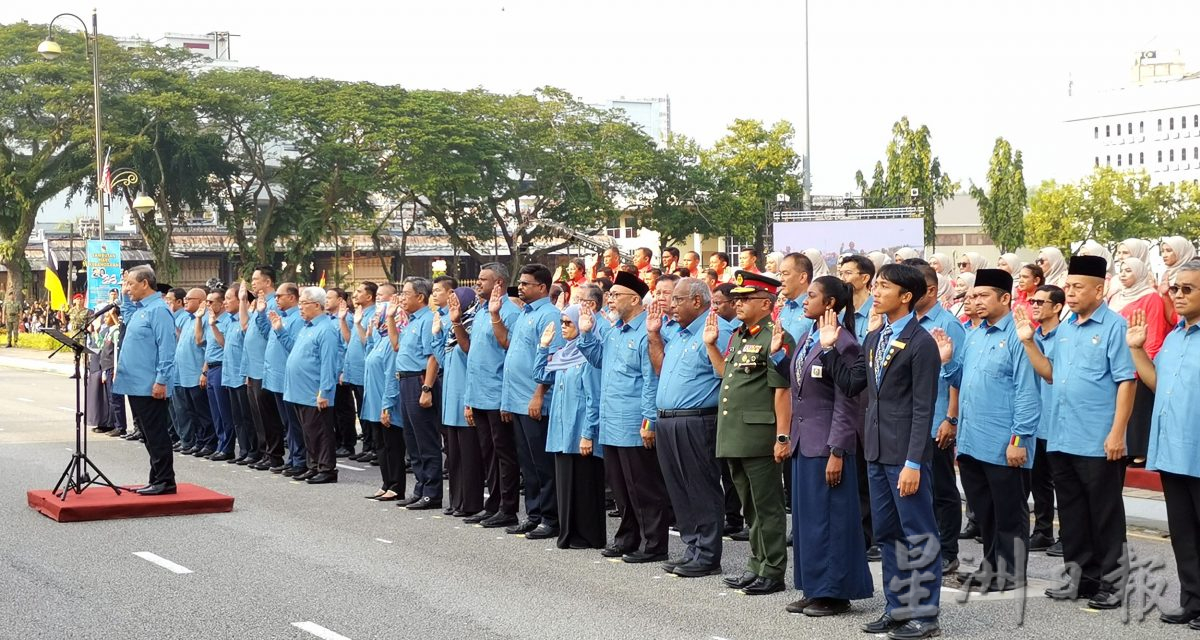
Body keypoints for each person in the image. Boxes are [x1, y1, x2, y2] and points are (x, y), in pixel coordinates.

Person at [818, 263, 943, 640]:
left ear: (906, 297)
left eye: (885, 286)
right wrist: (830, 349)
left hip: (904, 457)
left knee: (918, 533)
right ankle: (897, 607)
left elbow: (924, 408)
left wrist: (914, 462)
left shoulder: (921, 343)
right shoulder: (875, 338)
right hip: (875, 451)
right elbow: (854, 384)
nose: (877, 291)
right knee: (888, 534)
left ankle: (925, 615)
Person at [1039, 255, 1136, 609]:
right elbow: (1050, 373)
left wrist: (1117, 433)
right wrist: (1028, 342)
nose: (1071, 293)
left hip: (1098, 439)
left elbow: (1127, 382)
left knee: (1105, 515)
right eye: (1068, 286)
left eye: (1078, 287)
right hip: (1062, 434)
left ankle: (1112, 584)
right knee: (1073, 512)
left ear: (1100, 288)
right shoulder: (1064, 328)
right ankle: (1080, 578)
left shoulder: (1115, 326)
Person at [934, 269, 1039, 592]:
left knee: (1009, 511)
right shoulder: (976, 333)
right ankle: (990, 566)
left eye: (982, 296)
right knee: (986, 510)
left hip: (1004, 441)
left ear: (1005, 298)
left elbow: (1027, 391)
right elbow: (960, 381)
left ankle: (1009, 572)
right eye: (972, 296)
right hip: (972, 439)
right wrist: (948, 361)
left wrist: (1019, 439)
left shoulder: (1020, 337)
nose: (974, 301)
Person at [778, 275, 872, 616]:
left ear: (830, 303)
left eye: (812, 295)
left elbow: (847, 402)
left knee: (830, 520)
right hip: (804, 443)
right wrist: (778, 357)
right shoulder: (808, 336)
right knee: (807, 520)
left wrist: (837, 451)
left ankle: (834, 593)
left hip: (828, 445)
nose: (805, 299)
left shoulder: (843, 342)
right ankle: (813, 586)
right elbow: (801, 385)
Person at [707, 271, 792, 596]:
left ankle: (772, 570)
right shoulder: (741, 336)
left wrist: (782, 436)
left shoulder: (775, 336)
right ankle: (756, 564)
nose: (738, 303)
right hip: (736, 434)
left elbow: (782, 390)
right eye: (737, 298)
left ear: (766, 303)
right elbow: (725, 375)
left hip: (760, 436)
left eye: (745, 299)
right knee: (750, 506)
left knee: (767, 506)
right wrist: (712, 346)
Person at [1126, 259, 1200, 627]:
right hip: (1174, 451)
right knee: (1184, 534)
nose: (1179, 295)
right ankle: (1192, 601)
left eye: (1188, 289)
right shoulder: (1173, 338)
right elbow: (1157, 384)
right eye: (1175, 288)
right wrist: (1138, 351)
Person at [579, 270, 669, 562]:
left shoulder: (648, 331)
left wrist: (648, 421)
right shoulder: (615, 330)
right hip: (611, 420)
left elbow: (651, 380)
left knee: (643, 485)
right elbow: (599, 362)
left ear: (634, 298)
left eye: (616, 295)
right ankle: (627, 537)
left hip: (633, 420)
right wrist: (586, 333)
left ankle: (653, 544)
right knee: (620, 486)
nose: (611, 300)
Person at [646, 277, 730, 577]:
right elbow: (659, 368)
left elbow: (726, 376)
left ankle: (707, 554)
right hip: (668, 419)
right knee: (679, 489)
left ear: (697, 301)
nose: (671, 305)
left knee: (700, 487)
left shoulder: (716, 330)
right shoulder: (677, 334)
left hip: (697, 419)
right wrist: (655, 336)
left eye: (678, 299)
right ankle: (692, 547)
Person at [498, 264, 564, 538]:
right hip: (517, 400)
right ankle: (534, 514)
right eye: (520, 283)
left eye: (526, 283)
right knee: (528, 464)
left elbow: (552, 360)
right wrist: (506, 400)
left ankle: (550, 518)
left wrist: (539, 394)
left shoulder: (550, 315)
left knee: (542, 465)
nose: (520, 288)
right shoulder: (525, 314)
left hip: (536, 401)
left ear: (543, 288)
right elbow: (512, 356)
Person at [536, 304, 606, 549]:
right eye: (562, 322)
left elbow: (593, 397)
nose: (563, 327)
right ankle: (569, 533)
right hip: (561, 429)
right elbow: (542, 376)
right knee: (565, 483)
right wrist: (543, 347)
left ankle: (587, 535)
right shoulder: (563, 353)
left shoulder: (587, 356)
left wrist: (588, 433)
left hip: (580, 430)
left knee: (585, 485)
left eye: (568, 323)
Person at [911, 265, 965, 575]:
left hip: (937, 417)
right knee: (918, 490)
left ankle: (948, 551)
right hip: (913, 419)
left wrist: (951, 417)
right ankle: (924, 547)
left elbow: (955, 374)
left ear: (931, 290)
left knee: (942, 489)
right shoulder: (907, 322)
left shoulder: (947, 324)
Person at [464, 264, 523, 528]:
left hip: (498, 395)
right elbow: (472, 355)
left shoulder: (509, 312)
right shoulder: (479, 312)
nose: (478, 283)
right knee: (487, 454)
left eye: (483, 279)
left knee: (504, 454)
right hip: (478, 393)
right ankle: (493, 504)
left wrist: (506, 399)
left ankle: (508, 508)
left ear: (498, 283)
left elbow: (511, 353)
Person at [112, 265, 178, 495]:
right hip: (134, 383)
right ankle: (156, 478)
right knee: (148, 435)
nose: (127, 288)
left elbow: (167, 348)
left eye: (130, 284)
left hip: (150, 384)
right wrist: (124, 292)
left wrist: (161, 380)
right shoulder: (141, 310)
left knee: (156, 433)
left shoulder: (158, 310)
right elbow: (127, 315)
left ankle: (166, 481)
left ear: (145, 283)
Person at [1013, 285, 1065, 555]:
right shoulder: (1030, 336)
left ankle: (1067, 535)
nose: (1034, 305)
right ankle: (1043, 531)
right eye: (1032, 300)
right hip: (1036, 420)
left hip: (1058, 419)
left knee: (1063, 483)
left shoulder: (1065, 336)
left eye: (1041, 302)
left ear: (1057, 306)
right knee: (1038, 480)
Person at [385, 277, 444, 509]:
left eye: (406, 294)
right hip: (404, 381)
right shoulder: (411, 321)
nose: (401, 298)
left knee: (426, 440)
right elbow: (396, 345)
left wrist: (427, 388)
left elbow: (432, 357)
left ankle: (432, 492)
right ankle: (420, 488)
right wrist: (390, 317)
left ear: (420, 297)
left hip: (419, 380)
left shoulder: (428, 319)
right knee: (412, 440)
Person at [1108, 257, 1169, 465]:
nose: (1123, 274)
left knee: (1139, 409)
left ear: (1140, 273)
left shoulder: (1151, 297)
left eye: (1129, 271)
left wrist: (1143, 359)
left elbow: (1154, 330)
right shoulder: (1116, 296)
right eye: (1121, 270)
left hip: (1139, 357)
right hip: (1116, 357)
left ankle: (1139, 450)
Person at [282, 286, 340, 484]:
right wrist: (280, 331)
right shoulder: (307, 327)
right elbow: (293, 350)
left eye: (303, 303)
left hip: (314, 390)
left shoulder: (326, 329)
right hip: (299, 390)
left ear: (317, 305)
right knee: (308, 431)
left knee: (320, 431)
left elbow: (329, 362)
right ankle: (313, 464)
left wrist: (325, 391)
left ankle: (326, 468)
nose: (300, 308)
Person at [438, 286, 484, 517]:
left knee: (469, 456)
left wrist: (469, 402)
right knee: (454, 455)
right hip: (450, 399)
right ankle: (456, 501)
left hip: (465, 397)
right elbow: (442, 359)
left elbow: (472, 360)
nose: (451, 303)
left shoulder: (471, 325)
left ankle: (471, 503)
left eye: (456, 300)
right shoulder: (451, 329)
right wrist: (442, 329)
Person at [244, 266, 287, 472]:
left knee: (268, 415)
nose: (253, 283)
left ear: (268, 282)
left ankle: (274, 455)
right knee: (258, 415)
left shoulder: (273, 304)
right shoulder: (260, 304)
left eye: (256, 279)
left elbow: (269, 333)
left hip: (265, 367)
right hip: (254, 367)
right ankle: (264, 452)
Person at [363, 284, 404, 501]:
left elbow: (391, 374)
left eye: (381, 316)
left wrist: (387, 404)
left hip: (387, 403)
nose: (377, 318)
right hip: (374, 401)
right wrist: (370, 334)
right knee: (380, 445)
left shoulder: (392, 342)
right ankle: (386, 482)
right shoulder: (380, 339)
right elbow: (368, 357)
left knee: (392, 445)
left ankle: (396, 485)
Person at [263, 283, 306, 476]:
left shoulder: (298, 318)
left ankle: (299, 460)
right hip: (275, 376)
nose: (276, 300)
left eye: (279, 296)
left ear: (292, 297)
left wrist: (280, 330)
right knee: (286, 422)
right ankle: (294, 458)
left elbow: (294, 348)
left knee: (293, 423)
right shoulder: (283, 316)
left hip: (288, 378)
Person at [214, 285, 258, 465]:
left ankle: (254, 451)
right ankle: (244, 450)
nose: (225, 302)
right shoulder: (230, 322)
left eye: (228, 298)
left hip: (241, 376)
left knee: (248, 418)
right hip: (230, 375)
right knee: (237, 418)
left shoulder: (245, 321)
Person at [339, 282, 378, 458]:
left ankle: (372, 446)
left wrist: (359, 323)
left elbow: (368, 342)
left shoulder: (373, 315)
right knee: (362, 409)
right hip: (354, 371)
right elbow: (350, 340)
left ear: (369, 297)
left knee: (368, 410)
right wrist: (344, 320)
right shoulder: (359, 314)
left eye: (359, 292)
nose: (354, 295)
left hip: (364, 371)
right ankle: (368, 446)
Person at [176, 289, 215, 456]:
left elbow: (206, 347)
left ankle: (209, 443)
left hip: (196, 373)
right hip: (184, 374)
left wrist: (204, 372)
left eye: (188, 298)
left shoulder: (205, 319)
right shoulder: (187, 319)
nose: (185, 301)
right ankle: (199, 441)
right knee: (192, 412)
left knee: (203, 412)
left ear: (200, 301)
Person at [200, 288, 236, 461]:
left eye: (211, 302)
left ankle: (227, 447)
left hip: (222, 366)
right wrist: (204, 370)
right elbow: (205, 345)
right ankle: (220, 444)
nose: (207, 305)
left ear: (221, 304)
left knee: (224, 411)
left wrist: (214, 325)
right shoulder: (209, 320)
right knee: (215, 411)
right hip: (211, 367)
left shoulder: (227, 321)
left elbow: (224, 345)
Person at [776, 252, 815, 343]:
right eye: (780, 274)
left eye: (785, 274)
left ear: (802, 277)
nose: (781, 279)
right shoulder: (784, 307)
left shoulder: (816, 308)